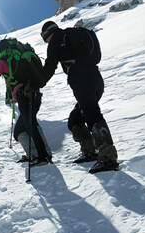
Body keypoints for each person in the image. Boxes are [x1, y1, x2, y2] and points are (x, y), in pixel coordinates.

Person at [40, 20, 118, 173]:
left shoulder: (57, 39)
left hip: (81, 79)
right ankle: (89, 150)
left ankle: (108, 157)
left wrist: (36, 83)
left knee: (92, 114)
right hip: (96, 79)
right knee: (75, 118)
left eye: (45, 38)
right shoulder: (70, 36)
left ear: (47, 34)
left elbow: (49, 67)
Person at [0, 39, 52, 166]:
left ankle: (42, 156)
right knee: (26, 126)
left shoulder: (3, 61)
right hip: (35, 94)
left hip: (23, 94)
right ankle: (41, 154)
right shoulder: (21, 56)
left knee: (27, 127)